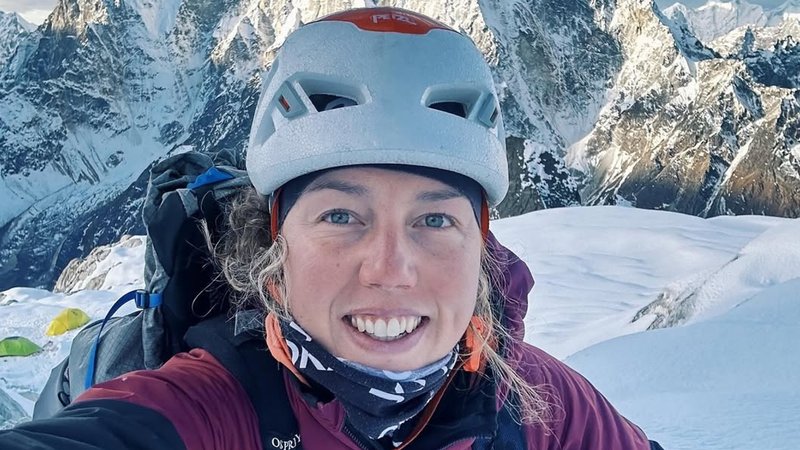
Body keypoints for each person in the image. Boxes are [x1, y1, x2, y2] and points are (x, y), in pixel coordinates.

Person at [0, 7, 663, 450]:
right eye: (341, 216)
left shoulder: (534, 405)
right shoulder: (212, 407)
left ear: (482, 248)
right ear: (274, 248)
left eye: (435, 219)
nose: (390, 266)